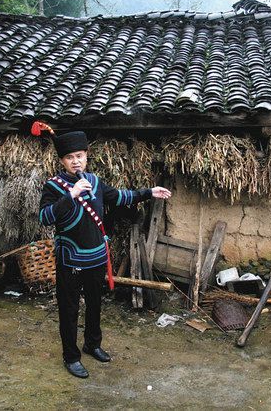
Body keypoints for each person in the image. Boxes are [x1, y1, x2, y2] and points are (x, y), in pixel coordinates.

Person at [38, 130, 171, 379]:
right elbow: (44, 217)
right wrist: (71, 195)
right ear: (61, 161)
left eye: (79, 155)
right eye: (69, 157)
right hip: (71, 259)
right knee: (68, 309)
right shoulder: (54, 186)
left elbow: (120, 197)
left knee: (95, 303)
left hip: (97, 256)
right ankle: (71, 356)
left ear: (86, 156)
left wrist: (148, 192)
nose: (75, 161)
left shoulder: (95, 182)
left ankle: (92, 344)